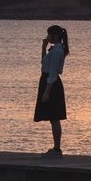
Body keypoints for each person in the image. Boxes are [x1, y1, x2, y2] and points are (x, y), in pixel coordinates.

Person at [34, 23, 69, 155]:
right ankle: (56, 148)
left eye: (49, 34)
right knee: (53, 117)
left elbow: (53, 72)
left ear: (54, 36)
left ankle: (57, 148)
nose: (47, 36)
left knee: (55, 117)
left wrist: (47, 92)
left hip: (51, 83)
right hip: (48, 80)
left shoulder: (57, 51)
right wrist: (43, 48)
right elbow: (44, 63)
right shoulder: (56, 50)